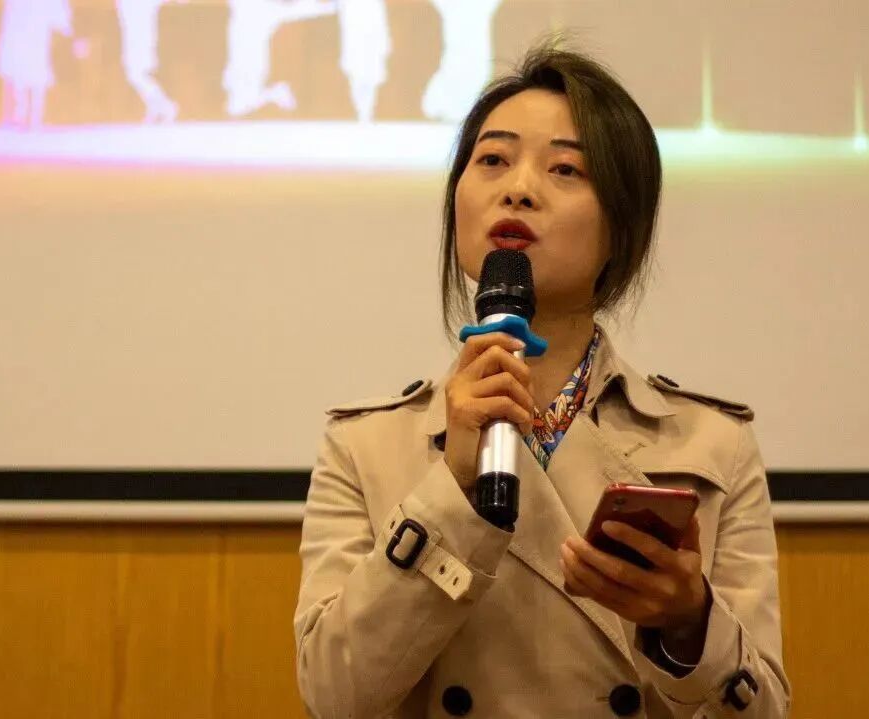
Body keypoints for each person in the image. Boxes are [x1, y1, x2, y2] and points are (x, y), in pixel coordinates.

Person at [294, 38, 791, 718]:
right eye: (492, 160)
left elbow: (765, 711)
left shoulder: (711, 444)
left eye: (565, 169)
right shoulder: (366, 446)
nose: (518, 188)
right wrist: (453, 491)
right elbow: (334, 696)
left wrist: (687, 625)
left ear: (622, 225)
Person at [0, 0, 73, 130]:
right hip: (21, 35)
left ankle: (34, 117)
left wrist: (64, 25)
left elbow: (60, 16)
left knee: (35, 74)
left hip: (36, 35)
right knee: (21, 73)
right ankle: (22, 116)